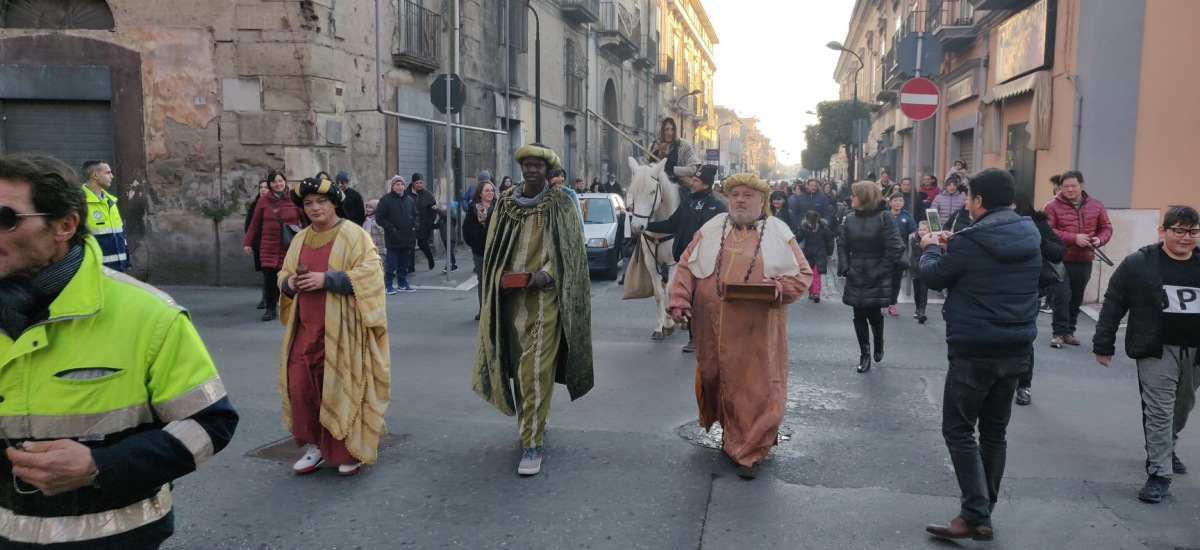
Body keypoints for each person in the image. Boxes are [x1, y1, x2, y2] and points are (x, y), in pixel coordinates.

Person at [0, 153, 238, 548]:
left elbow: (210, 424)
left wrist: (100, 465)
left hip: (118, 537)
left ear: (64, 225)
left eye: (5, 218)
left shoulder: (150, 313)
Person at [918, 168, 1042, 542]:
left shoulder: (972, 240)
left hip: (974, 348)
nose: (967, 203)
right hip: (1017, 347)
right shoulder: (1029, 233)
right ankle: (984, 512)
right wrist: (954, 246)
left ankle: (974, 514)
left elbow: (935, 277)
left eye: (969, 197)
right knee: (993, 432)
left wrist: (929, 247)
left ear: (979, 201)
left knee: (958, 430)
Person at [667, 173, 813, 479]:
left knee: (753, 389)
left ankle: (750, 452)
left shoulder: (779, 232)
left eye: (748, 195)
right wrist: (679, 298)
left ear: (761, 201)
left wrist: (779, 288)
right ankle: (733, 435)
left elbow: (802, 275)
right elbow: (686, 265)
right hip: (710, 330)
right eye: (735, 195)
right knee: (716, 380)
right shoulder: (711, 229)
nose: (740, 201)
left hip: (755, 334)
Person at [473, 143, 593, 477]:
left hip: (546, 301)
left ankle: (532, 443)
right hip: (510, 302)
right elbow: (494, 247)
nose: (532, 169)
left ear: (548, 170)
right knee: (517, 368)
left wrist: (545, 275)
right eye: (527, 164)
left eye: (539, 165)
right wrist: (499, 277)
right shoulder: (506, 203)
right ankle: (533, 423)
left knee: (535, 370)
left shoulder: (562, 203)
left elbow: (572, 252)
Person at [278, 177, 389, 477]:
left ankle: (348, 451)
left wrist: (326, 279)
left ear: (334, 204)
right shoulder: (300, 239)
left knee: (340, 387)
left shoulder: (354, 235)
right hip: (305, 328)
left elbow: (372, 274)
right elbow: (283, 273)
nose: (315, 208)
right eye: (308, 203)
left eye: (321, 202)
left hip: (343, 330)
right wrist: (289, 283)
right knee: (302, 388)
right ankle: (315, 446)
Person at [1093, 205, 1200, 504]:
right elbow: (1114, 302)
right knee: (1159, 410)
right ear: (1162, 231)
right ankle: (1159, 473)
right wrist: (1103, 343)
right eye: (1179, 230)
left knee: (1183, 407)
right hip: (1156, 348)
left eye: (1192, 232)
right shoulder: (1139, 263)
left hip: (1195, 351)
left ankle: (1166, 445)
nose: (1186, 237)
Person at [643, 163, 727, 353]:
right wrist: (647, 226)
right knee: (691, 301)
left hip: (706, 264)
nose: (691, 183)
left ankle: (707, 338)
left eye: (696, 180)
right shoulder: (687, 203)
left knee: (704, 303)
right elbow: (671, 224)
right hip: (686, 261)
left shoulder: (717, 206)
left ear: (706, 184)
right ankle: (693, 338)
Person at [838, 181, 904, 373]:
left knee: (874, 314)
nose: (851, 197)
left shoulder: (884, 217)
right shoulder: (850, 218)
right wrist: (846, 268)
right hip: (856, 272)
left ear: (865, 197)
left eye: (855, 194)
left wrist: (881, 271)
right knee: (858, 315)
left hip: (877, 273)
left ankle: (879, 343)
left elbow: (893, 247)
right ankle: (864, 354)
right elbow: (842, 244)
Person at [1045, 170, 1113, 348]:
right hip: (1059, 259)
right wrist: (1074, 238)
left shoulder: (1096, 206)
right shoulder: (1051, 206)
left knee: (1076, 297)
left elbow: (1106, 228)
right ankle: (1058, 333)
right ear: (1061, 188)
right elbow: (1047, 231)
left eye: (1073, 186)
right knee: (1061, 296)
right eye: (1066, 186)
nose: (1070, 190)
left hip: (1084, 259)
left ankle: (1069, 331)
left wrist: (1099, 240)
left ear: (1081, 185)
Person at [1013, 194, 1066, 406]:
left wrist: (1039, 240)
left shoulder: (1036, 223)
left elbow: (1058, 251)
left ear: (1014, 204)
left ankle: (1024, 385)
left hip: (1028, 290)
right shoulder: (989, 222)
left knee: (1024, 338)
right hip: (996, 290)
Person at [245, 169, 306, 321]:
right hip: (268, 246)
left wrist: (309, 239)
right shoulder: (264, 200)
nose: (277, 184)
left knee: (288, 277)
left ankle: (290, 307)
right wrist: (248, 242)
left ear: (285, 181)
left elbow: (305, 221)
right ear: (270, 184)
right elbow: (254, 223)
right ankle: (270, 309)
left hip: (289, 245)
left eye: (280, 181)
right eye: (274, 182)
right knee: (270, 279)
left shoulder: (294, 198)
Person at [80, 159, 130, 271]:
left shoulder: (110, 202)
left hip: (118, 269)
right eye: (108, 173)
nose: (112, 176)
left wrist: (126, 261)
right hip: (95, 271)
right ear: (95, 175)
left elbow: (120, 234)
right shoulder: (80, 203)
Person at [375, 175, 418, 294]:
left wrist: (414, 226)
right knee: (391, 264)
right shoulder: (385, 200)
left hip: (407, 237)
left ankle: (402, 283)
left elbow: (416, 215)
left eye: (401, 184)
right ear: (392, 186)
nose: (400, 187)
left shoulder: (409, 200)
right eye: (397, 184)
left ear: (404, 186)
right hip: (393, 238)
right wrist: (391, 228)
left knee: (404, 263)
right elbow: (379, 218)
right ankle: (388, 284)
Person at [462, 180, 496, 320]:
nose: (490, 193)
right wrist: (474, 244)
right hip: (479, 252)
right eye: (487, 190)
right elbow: (466, 229)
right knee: (482, 281)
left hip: (496, 251)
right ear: (480, 193)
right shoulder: (472, 209)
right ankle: (483, 309)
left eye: (492, 190)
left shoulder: (498, 207)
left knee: (495, 280)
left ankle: (495, 310)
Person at [886, 192, 918, 317]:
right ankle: (882, 302)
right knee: (883, 279)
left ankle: (892, 303)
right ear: (890, 202)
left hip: (900, 253)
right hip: (885, 252)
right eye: (895, 200)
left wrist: (913, 236)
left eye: (900, 200)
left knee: (896, 280)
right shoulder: (885, 215)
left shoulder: (907, 217)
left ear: (903, 202)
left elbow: (914, 231)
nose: (897, 203)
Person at [796, 210, 834, 303]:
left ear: (817, 220)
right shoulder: (804, 228)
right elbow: (797, 238)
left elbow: (829, 240)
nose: (811, 225)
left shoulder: (823, 228)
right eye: (809, 222)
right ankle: (811, 290)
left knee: (817, 273)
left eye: (812, 222)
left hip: (821, 253)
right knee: (810, 273)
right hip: (808, 254)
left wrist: (829, 253)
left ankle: (816, 292)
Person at [648, 117, 698, 185]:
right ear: (660, 130)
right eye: (666, 129)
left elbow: (693, 169)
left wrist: (672, 169)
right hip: (656, 186)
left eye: (672, 129)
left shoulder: (683, 145)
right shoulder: (652, 147)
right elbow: (647, 166)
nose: (670, 133)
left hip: (680, 186)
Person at [245, 179, 270, 310]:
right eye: (261, 187)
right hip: (260, 243)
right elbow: (249, 225)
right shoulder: (255, 205)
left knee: (273, 272)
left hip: (275, 243)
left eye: (266, 187)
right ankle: (266, 298)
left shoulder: (277, 204)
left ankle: (272, 297)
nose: (263, 189)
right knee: (266, 272)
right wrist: (251, 242)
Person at [406, 172, 438, 272]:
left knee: (422, 243)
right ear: (412, 183)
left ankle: (430, 258)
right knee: (410, 245)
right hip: (410, 223)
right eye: (417, 183)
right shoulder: (406, 194)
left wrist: (431, 222)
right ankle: (411, 266)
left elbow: (434, 209)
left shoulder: (427, 194)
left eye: (421, 183)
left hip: (424, 223)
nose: (419, 185)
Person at [909, 220, 931, 323]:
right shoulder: (914, 239)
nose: (922, 231)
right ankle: (917, 308)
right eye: (920, 229)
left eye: (924, 230)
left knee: (924, 291)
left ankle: (922, 311)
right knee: (917, 290)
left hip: (925, 269)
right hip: (915, 268)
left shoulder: (931, 240)